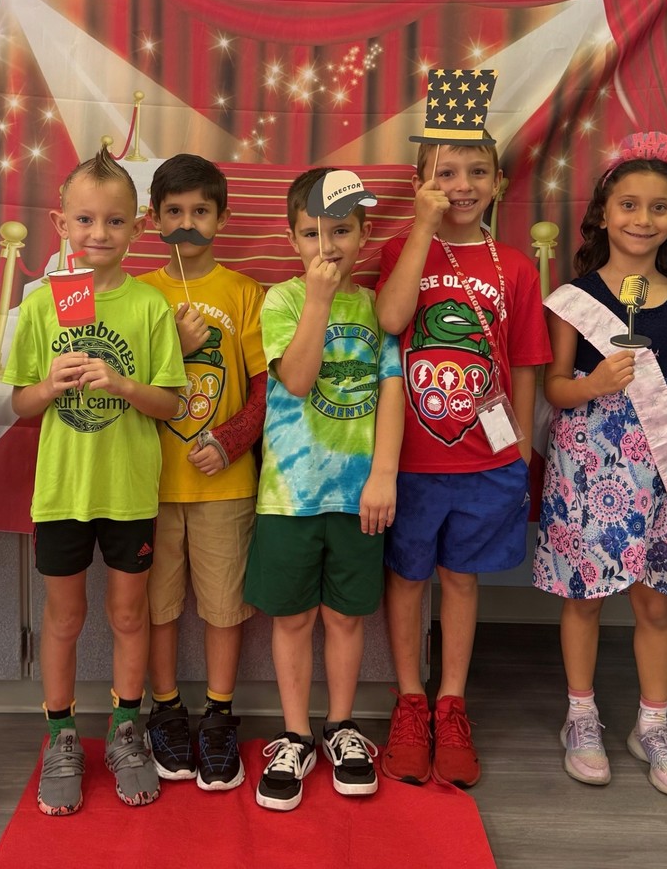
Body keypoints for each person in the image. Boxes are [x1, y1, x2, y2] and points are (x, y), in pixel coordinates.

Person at [375, 90, 551, 788]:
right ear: (422, 183)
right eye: (445, 172)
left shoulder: (516, 267)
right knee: (408, 577)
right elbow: (391, 318)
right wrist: (420, 230)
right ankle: (409, 700)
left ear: (498, 183)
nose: (462, 186)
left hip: (488, 460)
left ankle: (451, 700)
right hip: (412, 461)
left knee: (460, 577)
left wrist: (521, 455)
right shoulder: (400, 246)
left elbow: (529, 366)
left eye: (476, 171)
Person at [3, 147, 186, 814]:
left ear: (137, 227)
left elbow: (171, 403)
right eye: (84, 219)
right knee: (64, 615)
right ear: (60, 223)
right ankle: (59, 735)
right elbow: (20, 402)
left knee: (129, 613)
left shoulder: (148, 306)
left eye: (113, 221)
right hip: (61, 493)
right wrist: (49, 385)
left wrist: (125, 383)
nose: (98, 233)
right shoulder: (46, 304)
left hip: (131, 491)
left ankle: (126, 726)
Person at [534, 132, 667, 797]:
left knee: (655, 604)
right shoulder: (573, 296)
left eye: (659, 208)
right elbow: (553, 386)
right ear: (604, 214)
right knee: (584, 598)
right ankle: (580, 714)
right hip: (589, 467)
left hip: (660, 478)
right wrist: (592, 384)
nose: (643, 220)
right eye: (630, 205)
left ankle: (653, 723)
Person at [244, 167, 404, 811]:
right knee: (293, 617)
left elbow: (393, 390)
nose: (326, 245)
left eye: (340, 231)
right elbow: (301, 378)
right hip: (289, 496)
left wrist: (384, 474)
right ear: (291, 239)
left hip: (358, 493)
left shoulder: (376, 307)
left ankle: (341, 726)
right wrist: (314, 299)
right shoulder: (279, 302)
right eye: (311, 233)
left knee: (344, 615)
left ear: (364, 236)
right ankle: (295, 734)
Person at [137, 154, 267, 791]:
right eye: (174, 212)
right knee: (158, 607)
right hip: (149, 485)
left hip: (225, 482)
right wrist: (174, 348)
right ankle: (164, 710)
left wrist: (234, 440)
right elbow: (124, 384)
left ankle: (218, 717)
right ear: (153, 219)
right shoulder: (137, 295)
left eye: (200, 211)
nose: (187, 223)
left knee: (223, 608)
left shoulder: (244, 295)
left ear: (222, 217)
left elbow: (268, 387)